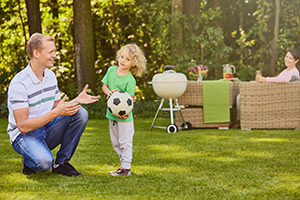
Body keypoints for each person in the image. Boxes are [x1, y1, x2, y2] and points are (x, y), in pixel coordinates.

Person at [7, 33, 100, 176]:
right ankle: (29, 159)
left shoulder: (50, 76)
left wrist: (76, 100)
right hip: (24, 136)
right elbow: (23, 126)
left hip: (46, 127)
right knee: (44, 163)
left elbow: (57, 106)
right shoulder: (19, 83)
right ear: (36, 53)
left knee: (80, 113)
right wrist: (55, 113)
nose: (55, 55)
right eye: (51, 52)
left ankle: (61, 164)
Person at [101, 43, 146, 176]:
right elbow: (104, 86)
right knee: (115, 143)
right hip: (111, 114)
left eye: (128, 59)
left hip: (125, 118)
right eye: (122, 57)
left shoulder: (130, 80)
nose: (123, 61)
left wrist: (125, 113)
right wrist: (109, 92)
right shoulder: (111, 70)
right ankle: (123, 166)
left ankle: (126, 167)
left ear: (134, 63)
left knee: (125, 142)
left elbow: (130, 99)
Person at [233, 48, 300, 128]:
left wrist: (265, 79)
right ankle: (240, 120)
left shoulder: (294, 72)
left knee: (240, 97)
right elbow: (276, 80)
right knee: (240, 96)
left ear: (296, 61)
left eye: (290, 58)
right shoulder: (286, 71)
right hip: (271, 94)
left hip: (273, 97)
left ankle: (240, 121)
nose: (287, 59)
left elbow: (282, 80)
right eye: (286, 56)